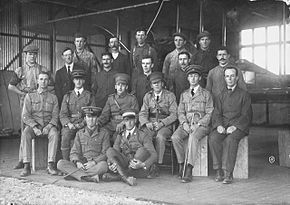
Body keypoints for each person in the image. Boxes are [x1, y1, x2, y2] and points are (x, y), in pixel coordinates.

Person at [8, 44, 52, 170]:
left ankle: (41, 159)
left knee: (39, 126)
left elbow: (51, 84)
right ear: (25, 55)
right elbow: (11, 86)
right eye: (30, 54)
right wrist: (22, 93)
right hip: (26, 102)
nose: (32, 56)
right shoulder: (20, 70)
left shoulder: (42, 69)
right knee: (25, 130)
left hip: (40, 101)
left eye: (34, 54)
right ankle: (22, 160)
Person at [209, 66, 252, 184]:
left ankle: (228, 173)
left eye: (232, 76)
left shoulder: (244, 95)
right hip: (223, 125)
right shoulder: (220, 95)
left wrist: (235, 127)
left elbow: (246, 115)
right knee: (213, 138)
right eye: (227, 76)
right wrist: (218, 125)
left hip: (238, 126)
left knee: (230, 140)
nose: (230, 78)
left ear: (237, 78)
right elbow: (217, 113)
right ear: (224, 78)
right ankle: (218, 170)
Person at [171, 66, 213, 183]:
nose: (193, 78)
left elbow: (210, 113)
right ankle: (181, 165)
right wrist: (183, 123)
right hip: (186, 124)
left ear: (199, 78)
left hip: (201, 126)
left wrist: (198, 124)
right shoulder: (184, 94)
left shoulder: (206, 94)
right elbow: (180, 111)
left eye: (195, 76)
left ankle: (189, 168)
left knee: (193, 137)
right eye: (190, 76)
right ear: (188, 78)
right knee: (175, 137)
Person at [105, 109, 158, 186]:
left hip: (138, 168)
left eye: (131, 120)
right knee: (109, 151)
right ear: (123, 122)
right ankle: (126, 177)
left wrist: (142, 164)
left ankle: (120, 176)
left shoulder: (143, 135)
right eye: (126, 120)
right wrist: (111, 164)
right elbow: (114, 153)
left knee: (142, 150)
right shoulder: (120, 135)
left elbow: (154, 155)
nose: (129, 123)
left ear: (135, 120)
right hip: (125, 163)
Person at [20, 71, 59, 177]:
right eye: (41, 79)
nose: (43, 82)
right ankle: (26, 166)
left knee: (54, 134)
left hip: (48, 126)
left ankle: (51, 165)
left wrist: (49, 126)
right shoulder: (30, 96)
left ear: (49, 81)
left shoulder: (53, 98)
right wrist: (35, 127)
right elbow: (25, 116)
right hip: (34, 126)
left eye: (46, 79)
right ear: (37, 81)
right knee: (26, 133)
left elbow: (55, 116)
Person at [57, 106, 110, 183]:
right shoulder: (80, 133)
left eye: (93, 117)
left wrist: (93, 162)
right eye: (88, 117)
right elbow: (74, 152)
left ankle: (76, 175)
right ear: (85, 119)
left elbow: (105, 153)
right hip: (81, 165)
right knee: (60, 163)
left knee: (104, 165)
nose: (91, 120)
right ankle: (87, 177)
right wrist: (78, 162)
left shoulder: (104, 133)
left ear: (97, 119)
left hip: (95, 165)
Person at [139, 72, 177, 166]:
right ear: (151, 85)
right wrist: (147, 123)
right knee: (145, 136)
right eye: (154, 83)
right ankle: (146, 162)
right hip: (151, 124)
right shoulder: (148, 96)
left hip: (165, 125)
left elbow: (174, 114)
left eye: (158, 82)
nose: (156, 84)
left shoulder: (170, 95)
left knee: (160, 137)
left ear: (162, 84)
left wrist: (162, 123)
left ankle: (157, 164)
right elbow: (142, 113)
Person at [59, 69, 95, 160]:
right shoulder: (67, 96)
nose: (78, 81)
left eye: (80, 79)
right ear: (73, 80)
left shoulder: (89, 95)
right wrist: (69, 124)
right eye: (76, 79)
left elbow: (92, 114)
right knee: (65, 136)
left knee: (86, 137)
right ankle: (66, 163)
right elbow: (63, 114)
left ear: (84, 81)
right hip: (70, 124)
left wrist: (82, 124)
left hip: (85, 124)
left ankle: (84, 162)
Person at [97, 73, 139, 143]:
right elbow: (105, 115)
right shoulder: (111, 99)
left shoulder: (132, 99)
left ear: (126, 87)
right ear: (115, 87)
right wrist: (97, 123)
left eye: (122, 85)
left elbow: (136, 116)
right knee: (101, 134)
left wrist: (123, 123)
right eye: (118, 85)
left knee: (116, 139)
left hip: (126, 125)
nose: (120, 87)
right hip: (111, 125)